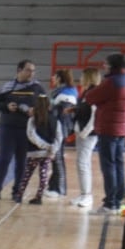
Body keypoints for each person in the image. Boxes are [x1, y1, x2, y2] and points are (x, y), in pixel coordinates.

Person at [82, 53, 125, 215]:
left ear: (112, 65)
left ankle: (110, 204)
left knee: (108, 166)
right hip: (122, 129)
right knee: (119, 165)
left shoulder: (112, 82)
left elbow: (90, 97)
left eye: (105, 63)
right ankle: (117, 200)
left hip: (108, 128)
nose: (103, 66)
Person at [0, 60, 46, 202]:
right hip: (8, 129)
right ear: (19, 70)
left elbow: (46, 107)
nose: (31, 73)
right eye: (28, 70)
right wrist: (7, 106)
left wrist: (36, 111)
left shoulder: (38, 88)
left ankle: (17, 192)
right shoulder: (7, 87)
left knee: (22, 162)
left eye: (33, 70)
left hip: (27, 130)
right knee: (4, 159)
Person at [19, 93, 60, 205]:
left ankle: (19, 195)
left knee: (27, 174)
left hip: (33, 152)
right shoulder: (55, 120)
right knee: (44, 175)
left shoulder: (32, 119)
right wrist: (52, 149)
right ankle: (39, 197)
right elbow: (59, 137)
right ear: (49, 106)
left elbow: (31, 135)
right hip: (47, 153)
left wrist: (43, 145)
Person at [70, 67, 101, 209]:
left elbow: (94, 115)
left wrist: (86, 131)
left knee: (83, 163)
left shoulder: (94, 93)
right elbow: (83, 110)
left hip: (89, 134)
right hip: (81, 131)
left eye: (83, 76)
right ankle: (83, 193)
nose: (80, 79)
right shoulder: (84, 92)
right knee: (81, 163)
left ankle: (87, 195)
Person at [46, 69, 78, 197]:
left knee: (57, 159)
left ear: (59, 78)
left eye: (54, 76)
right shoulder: (61, 92)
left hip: (60, 129)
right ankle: (53, 187)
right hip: (58, 128)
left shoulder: (66, 94)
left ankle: (60, 189)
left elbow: (65, 116)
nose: (52, 78)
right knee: (55, 158)